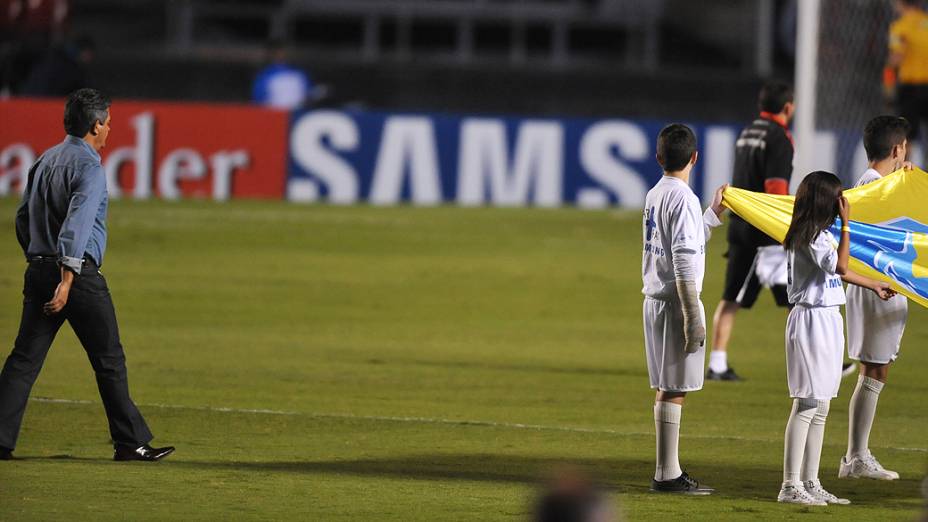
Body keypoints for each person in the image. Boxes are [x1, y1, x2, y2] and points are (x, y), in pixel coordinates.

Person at [0, 88, 173, 462]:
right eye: (108, 123)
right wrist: (66, 279)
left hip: (39, 268)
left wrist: (39, 260)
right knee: (108, 358)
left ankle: (0, 440)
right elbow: (77, 226)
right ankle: (130, 442)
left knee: (23, 360)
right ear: (96, 126)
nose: (110, 130)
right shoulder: (89, 166)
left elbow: (21, 217)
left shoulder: (46, 159)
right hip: (77, 277)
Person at [777, 171, 893, 505]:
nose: (844, 203)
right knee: (807, 403)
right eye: (838, 197)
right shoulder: (811, 235)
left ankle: (810, 481)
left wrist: (872, 283)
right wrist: (847, 225)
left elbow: (837, 273)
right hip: (810, 320)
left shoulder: (820, 234)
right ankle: (790, 485)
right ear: (826, 201)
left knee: (822, 405)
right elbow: (840, 267)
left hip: (828, 318)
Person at [642, 123, 725, 494]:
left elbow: (677, 242)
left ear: (658, 158)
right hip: (678, 302)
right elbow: (683, 257)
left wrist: (711, 216)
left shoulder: (655, 193)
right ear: (695, 157)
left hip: (655, 300)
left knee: (667, 385)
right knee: (675, 388)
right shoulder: (684, 199)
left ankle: (667, 469)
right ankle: (666, 474)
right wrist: (693, 315)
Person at [839, 116, 911, 480]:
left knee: (876, 370)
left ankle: (857, 455)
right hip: (874, 289)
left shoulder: (876, 184)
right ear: (898, 149)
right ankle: (855, 457)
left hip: (880, 287)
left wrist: (904, 181)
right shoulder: (871, 187)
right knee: (873, 369)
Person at [709, 81, 795, 381]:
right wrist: (784, 228)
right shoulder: (780, 137)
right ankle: (815, 360)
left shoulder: (748, 132)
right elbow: (775, 188)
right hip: (764, 230)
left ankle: (717, 363)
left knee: (732, 296)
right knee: (799, 297)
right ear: (788, 107)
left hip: (740, 223)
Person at [886, 0, 928, 152]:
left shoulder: (899, 27)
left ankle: (905, 174)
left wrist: (888, 82)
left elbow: (896, 57)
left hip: (910, 88)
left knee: (907, 136)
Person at [252, 40, 315, 111]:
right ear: (273, 54)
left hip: (298, 114)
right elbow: (258, 99)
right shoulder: (265, 75)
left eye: (285, 52)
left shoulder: (300, 75)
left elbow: (309, 96)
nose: (282, 55)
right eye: (279, 52)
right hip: (274, 115)